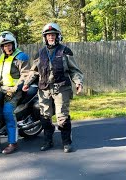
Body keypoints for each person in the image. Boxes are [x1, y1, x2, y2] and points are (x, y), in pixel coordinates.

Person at [22, 22, 84, 153]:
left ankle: (66, 142)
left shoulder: (65, 51)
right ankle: (48, 141)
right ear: (45, 37)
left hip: (61, 88)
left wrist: (78, 82)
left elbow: (74, 70)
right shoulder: (39, 53)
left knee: (62, 116)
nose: (51, 37)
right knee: (45, 116)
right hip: (44, 89)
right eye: (48, 35)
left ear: (58, 36)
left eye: (53, 35)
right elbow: (34, 71)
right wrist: (27, 83)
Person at [0, 31, 30, 154]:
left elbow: (25, 74)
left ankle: (13, 142)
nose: (6, 47)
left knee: (8, 111)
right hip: (2, 90)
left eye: (8, 44)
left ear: (13, 44)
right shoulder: (2, 57)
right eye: (4, 45)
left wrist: (16, 88)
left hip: (15, 91)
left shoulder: (21, 57)